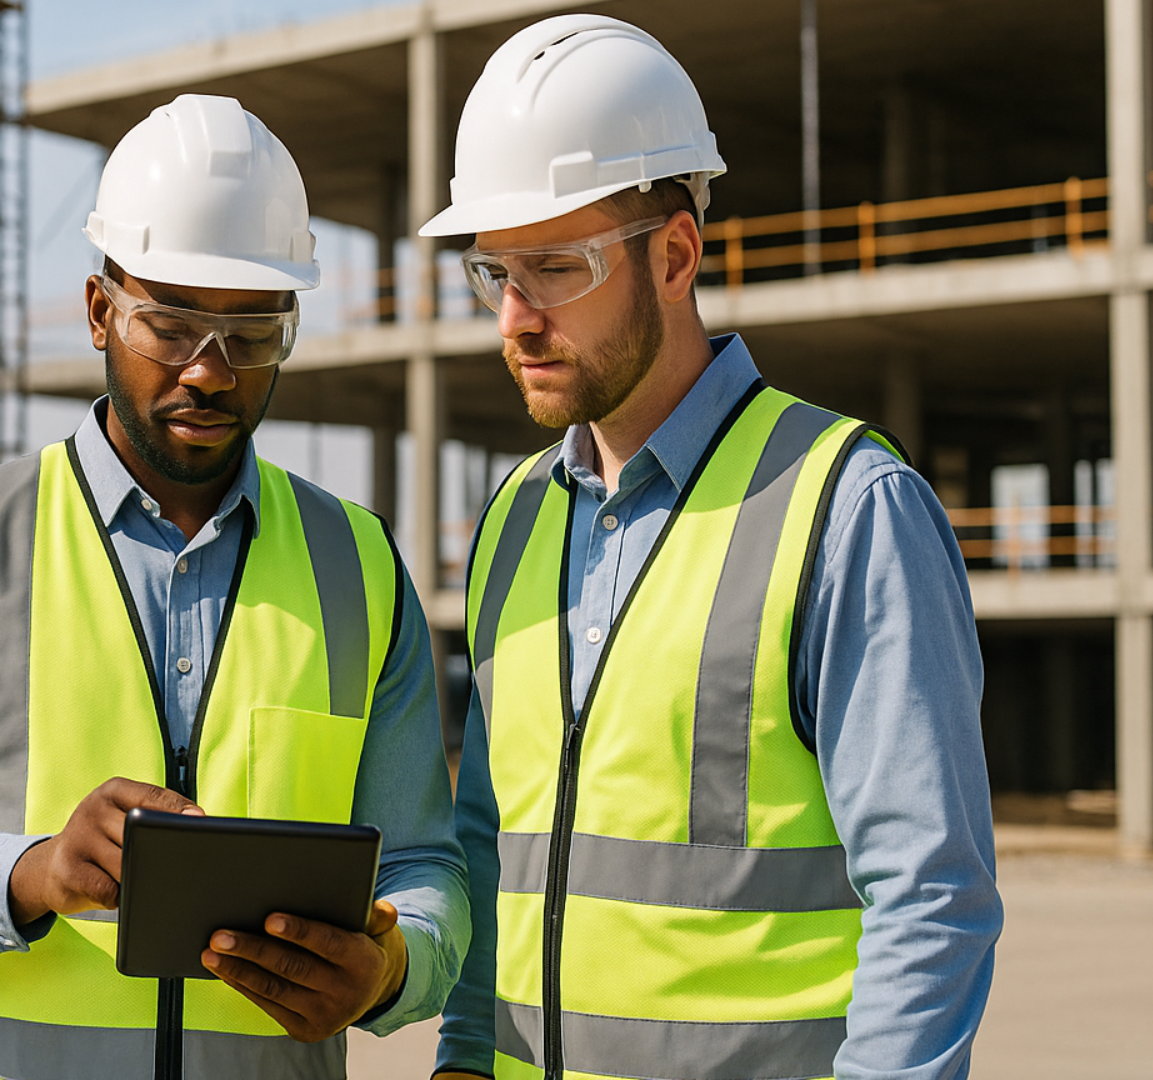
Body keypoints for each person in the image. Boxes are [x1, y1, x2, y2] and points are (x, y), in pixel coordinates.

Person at [0, 93, 466, 1080]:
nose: (210, 372)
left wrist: (391, 968)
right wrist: (30, 873)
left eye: (252, 335)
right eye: (172, 324)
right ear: (99, 310)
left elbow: (424, 868)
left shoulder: (358, 565)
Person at [419, 16, 1002, 1080]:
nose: (514, 317)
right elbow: (486, 854)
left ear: (676, 254)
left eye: (554, 268)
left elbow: (931, 897)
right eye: (492, 271)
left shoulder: (846, 505)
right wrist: (463, 1055)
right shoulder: (513, 520)